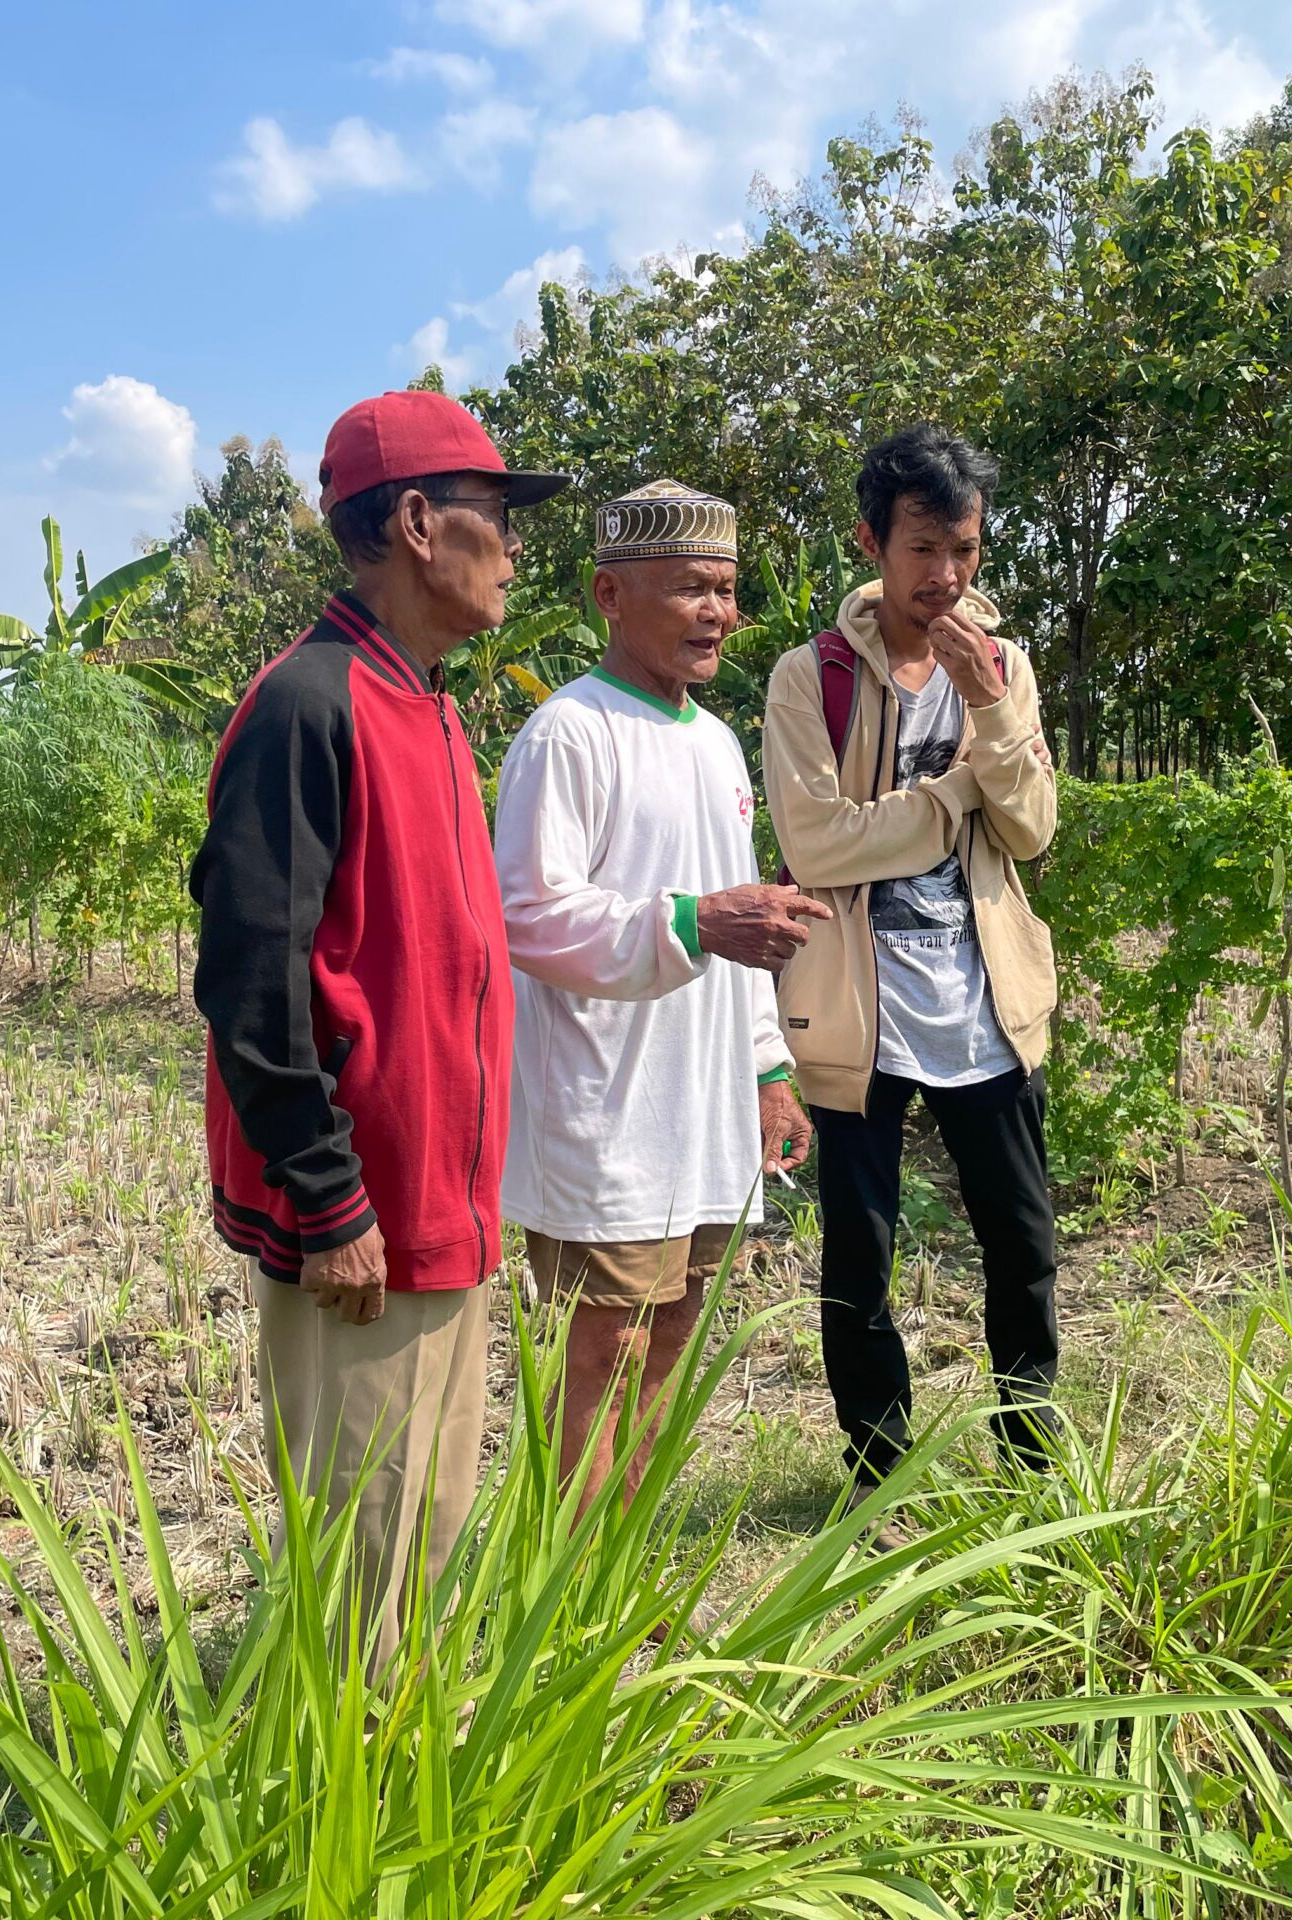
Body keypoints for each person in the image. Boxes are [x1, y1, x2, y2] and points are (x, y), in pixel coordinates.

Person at [189, 389, 570, 1669]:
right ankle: (340, 1827)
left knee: (426, 1526)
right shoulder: (310, 705)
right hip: (365, 1219)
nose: (513, 548)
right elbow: (251, 977)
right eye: (495, 515)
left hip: (441, 1207)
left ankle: (398, 1789)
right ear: (415, 523)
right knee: (366, 1559)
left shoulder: (431, 705)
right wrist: (330, 1195)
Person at [494, 480, 829, 1506]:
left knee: (675, 1332)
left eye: (724, 591)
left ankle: (625, 1580)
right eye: (690, 589)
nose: (717, 613)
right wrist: (689, 922)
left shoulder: (716, 742)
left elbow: (749, 922)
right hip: (609, 1105)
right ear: (609, 594)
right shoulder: (569, 735)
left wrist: (769, 1067)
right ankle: (572, 1599)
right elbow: (528, 915)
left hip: (701, 1096)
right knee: (604, 1347)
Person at [762, 423, 1061, 1493]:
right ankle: (874, 1470)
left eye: (966, 551)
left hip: (985, 1001)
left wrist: (987, 710)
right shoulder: (813, 679)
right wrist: (949, 799)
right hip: (858, 1008)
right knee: (860, 1259)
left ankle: (1032, 1457)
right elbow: (816, 842)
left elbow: (1029, 831)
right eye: (922, 549)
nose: (945, 576)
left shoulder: (1005, 668)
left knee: (1021, 1245)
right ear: (871, 543)